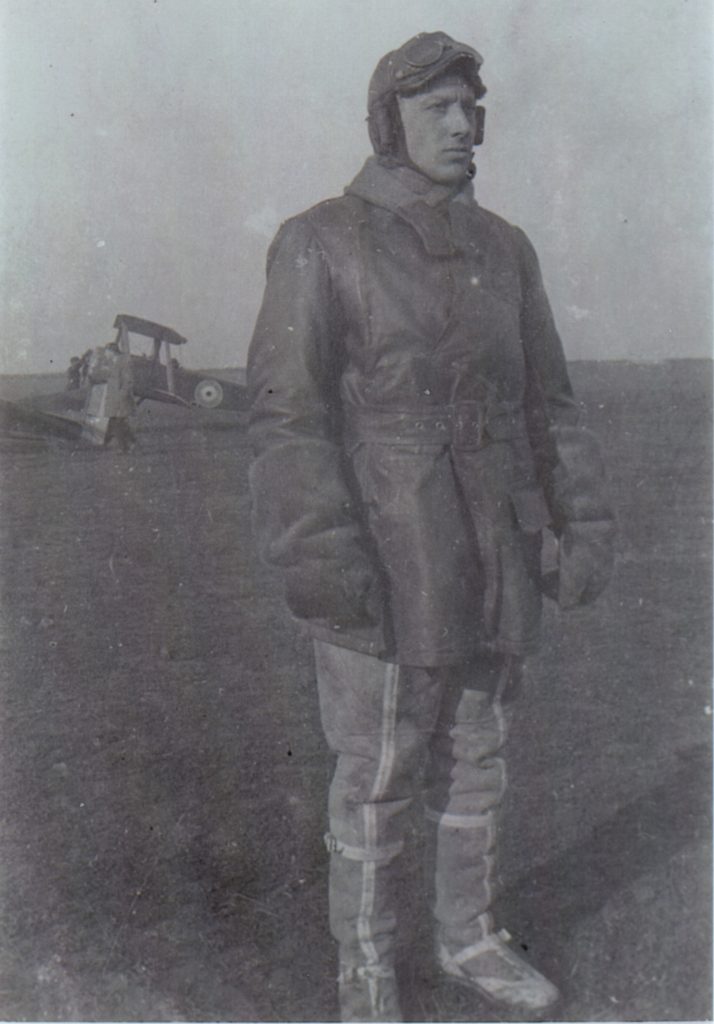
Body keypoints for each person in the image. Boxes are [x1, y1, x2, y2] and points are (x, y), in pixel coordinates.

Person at [248, 31, 615, 1022]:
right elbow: (288, 419)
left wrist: (577, 525)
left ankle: (468, 937)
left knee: (479, 755)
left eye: (470, 110)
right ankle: (365, 968)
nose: (462, 127)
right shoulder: (318, 240)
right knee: (374, 773)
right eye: (437, 109)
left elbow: (552, 403)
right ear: (387, 122)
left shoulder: (506, 249)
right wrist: (322, 558)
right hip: (380, 562)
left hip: (494, 558)